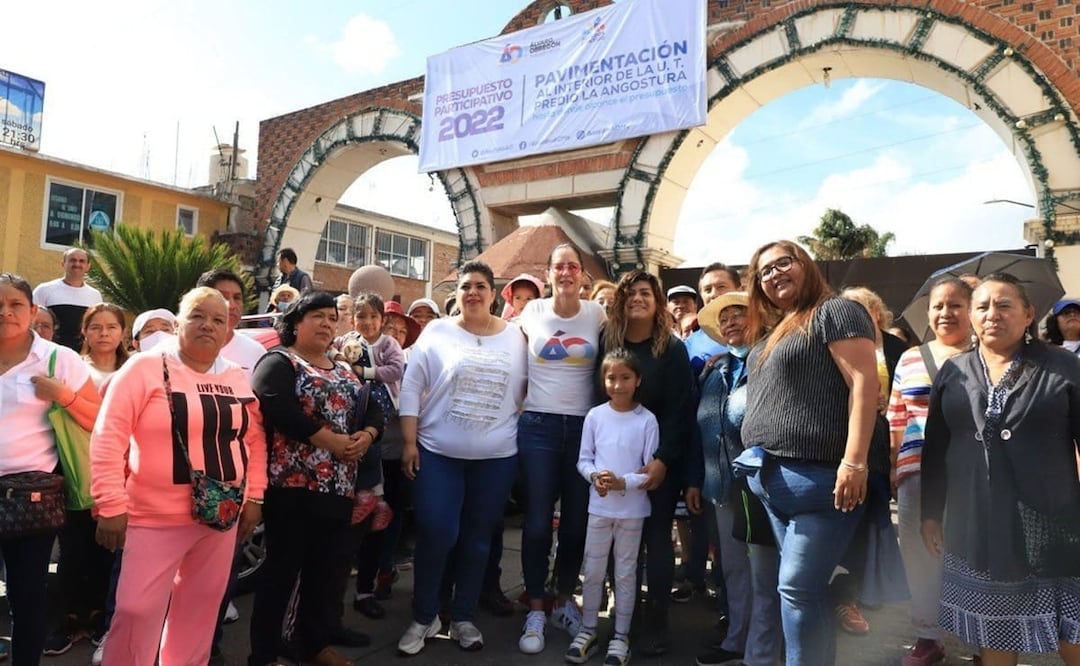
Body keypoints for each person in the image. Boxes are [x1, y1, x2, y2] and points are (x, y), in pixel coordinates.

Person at [91, 286, 266, 665]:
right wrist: (109, 503)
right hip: (154, 518)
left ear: (228, 329)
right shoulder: (145, 367)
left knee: (199, 613)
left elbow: (253, 440)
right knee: (136, 610)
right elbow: (108, 436)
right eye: (197, 316)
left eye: (218, 319)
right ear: (177, 323)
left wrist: (255, 496)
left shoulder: (236, 376)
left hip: (219, 517)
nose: (208, 325)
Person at [922, 273, 1080, 666]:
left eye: (1004, 305)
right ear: (973, 318)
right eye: (982, 306)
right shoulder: (954, 372)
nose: (993, 313)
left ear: (1028, 315)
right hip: (977, 523)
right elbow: (935, 449)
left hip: (1053, 523)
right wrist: (929, 513)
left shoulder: (1062, 366)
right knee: (994, 627)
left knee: (1072, 631)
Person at [740, 240, 879, 666]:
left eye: (784, 262)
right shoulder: (781, 327)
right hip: (771, 482)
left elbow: (864, 384)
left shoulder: (834, 311)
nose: (774, 274)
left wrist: (854, 461)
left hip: (821, 482)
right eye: (764, 271)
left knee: (796, 590)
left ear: (807, 265)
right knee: (805, 592)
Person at [397, 261, 527, 656]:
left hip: (496, 459)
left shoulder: (516, 338)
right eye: (466, 286)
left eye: (481, 286)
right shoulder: (437, 331)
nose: (473, 292)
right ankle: (425, 616)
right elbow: (410, 386)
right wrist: (408, 441)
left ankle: (464, 616)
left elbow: (525, 392)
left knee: (476, 542)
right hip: (438, 454)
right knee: (437, 533)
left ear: (493, 293)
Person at [248, 290, 383, 666]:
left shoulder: (342, 367)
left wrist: (366, 436)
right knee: (281, 574)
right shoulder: (279, 362)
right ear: (295, 322)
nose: (326, 323)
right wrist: (332, 442)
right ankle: (263, 654)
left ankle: (313, 644)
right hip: (292, 489)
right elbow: (278, 409)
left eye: (330, 317)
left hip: (338, 490)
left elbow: (373, 410)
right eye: (316, 316)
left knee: (324, 574)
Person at [0, 273, 100, 666]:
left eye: (15, 305)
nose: (5, 312)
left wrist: (64, 395)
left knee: (27, 594)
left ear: (33, 310)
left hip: (29, 498)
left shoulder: (60, 359)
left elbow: (98, 419)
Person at [595, 270, 694, 656]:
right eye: (631, 292)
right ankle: (626, 617)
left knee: (655, 540)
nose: (638, 298)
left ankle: (657, 619)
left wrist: (662, 460)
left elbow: (680, 409)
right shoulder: (609, 341)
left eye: (645, 293)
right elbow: (597, 400)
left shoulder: (671, 349)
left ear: (657, 301)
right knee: (622, 543)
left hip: (655, 463)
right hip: (616, 463)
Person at [515, 244, 606, 654]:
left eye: (573, 266)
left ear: (582, 275)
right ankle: (536, 604)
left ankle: (564, 600)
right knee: (535, 523)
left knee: (575, 525)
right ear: (548, 272)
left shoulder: (596, 314)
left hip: (585, 427)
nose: (566, 272)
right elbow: (511, 361)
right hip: (538, 425)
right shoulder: (531, 313)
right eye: (559, 266)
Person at [685, 291, 778, 666]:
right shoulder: (715, 371)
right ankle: (737, 639)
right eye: (724, 319)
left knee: (763, 572)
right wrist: (695, 479)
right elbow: (700, 430)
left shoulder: (770, 362)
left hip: (760, 487)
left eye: (739, 314)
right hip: (720, 486)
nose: (731, 322)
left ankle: (763, 649)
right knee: (734, 568)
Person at [886, 276, 973, 666]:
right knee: (921, 556)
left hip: (974, 471)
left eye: (956, 304)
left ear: (973, 309)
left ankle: (982, 642)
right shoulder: (910, 357)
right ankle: (927, 637)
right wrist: (894, 467)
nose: (945, 313)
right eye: (938, 306)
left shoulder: (989, 354)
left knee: (974, 555)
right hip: (916, 472)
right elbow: (896, 417)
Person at [566, 349, 659, 666]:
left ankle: (621, 636)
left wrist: (624, 483)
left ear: (637, 380)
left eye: (625, 378)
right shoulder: (595, 416)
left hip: (632, 511)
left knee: (626, 573)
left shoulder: (647, 420)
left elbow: (649, 470)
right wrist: (595, 477)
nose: (618, 385)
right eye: (611, 378)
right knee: (591, 571)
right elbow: (584, 459)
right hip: (599, 509)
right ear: (603, 380)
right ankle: (589, 628)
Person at [335, 292, 404, 621]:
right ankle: (373, 498)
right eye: (361, 317)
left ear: (382, 319)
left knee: (371, 450)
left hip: (380, 417)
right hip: (351, 415)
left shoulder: (389, 344)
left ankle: (376, 499)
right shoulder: (346, 340)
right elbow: (335, 359)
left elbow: (395, 370)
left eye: (373, 317)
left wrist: (364, 370)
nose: (367, 323)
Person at [196, 269, 267, 376]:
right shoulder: (171, 352)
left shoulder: (256, 352)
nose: (231, 305)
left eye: (237, 298)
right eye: (223, 297)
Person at [32, 248, 103, 351]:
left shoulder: (95, 295)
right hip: (49, 352)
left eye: (81, 261)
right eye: (72, 260)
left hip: (81, 356)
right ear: (63, 264)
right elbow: (31, 321)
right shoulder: (44, 290)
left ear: (88, 266)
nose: (77, 264)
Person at [684, 263, 742, 375]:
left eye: (721, 287)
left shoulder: (757, 331)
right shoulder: (691, 343)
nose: (714, 294)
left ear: (739, 290)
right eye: (707, 290)